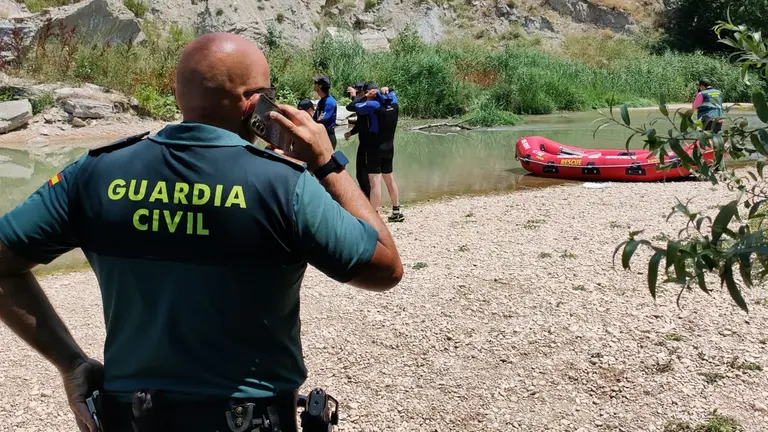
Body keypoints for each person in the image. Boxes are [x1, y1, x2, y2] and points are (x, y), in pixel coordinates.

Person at [0, 32, 402, 432]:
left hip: (132, 419)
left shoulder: (93, 174)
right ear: (254, 104)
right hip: (251, 421)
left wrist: (71, 363)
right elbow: (384, 268)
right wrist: (326, 163)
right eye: (269, 95)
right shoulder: (284, 184)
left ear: (179, 95)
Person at [372, 86, 404, 222]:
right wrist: (388, 90)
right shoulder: (395, 106)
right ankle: (397, 211)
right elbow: (393, 94)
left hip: (377, 148)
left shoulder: (376, 107)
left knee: (375, 182)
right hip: (390, 148)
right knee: (390, 180)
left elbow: (357, 107)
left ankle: (374, 216)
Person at [345, 82, 371, 197]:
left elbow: (350, 106)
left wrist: (354, 96)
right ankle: (366, 198)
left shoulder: (367, 104)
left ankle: (370, 200)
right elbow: (361, 123)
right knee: (360, 174)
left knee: (364, 175)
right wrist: (351, 132)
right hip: (363, 142)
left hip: (369, 144)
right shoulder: (362, 104)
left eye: (358, 92)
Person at [312, 75, 338, 149]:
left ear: (320, 86)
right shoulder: (321, 101)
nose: (314, 85)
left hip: (328, 138)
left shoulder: (330, 102)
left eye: (316, 83)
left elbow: (322, 119)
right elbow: (315, 118)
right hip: (321, 135)